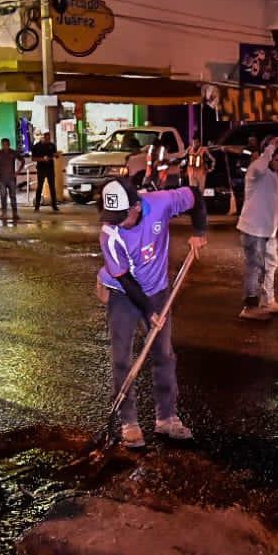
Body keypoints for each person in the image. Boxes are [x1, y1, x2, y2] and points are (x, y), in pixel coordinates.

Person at [97, 177, 209, 448]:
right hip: (123, 294)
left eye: (121, 216)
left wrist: (200, 231)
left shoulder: (160, 204)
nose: (116, 221)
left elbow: (195, 195)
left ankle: (167, 418)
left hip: (158, 289)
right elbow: (125, 279)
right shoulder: (109, 234)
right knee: (122, 357)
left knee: (163, 353)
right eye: (111, 216)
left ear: (136, 206)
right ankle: (129, 422)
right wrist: (148, 311)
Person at [237, 137, 278, 319]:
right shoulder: (255, 171)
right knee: (255, 267)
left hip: (269, 231)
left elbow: (275, 199)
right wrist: (271, 147)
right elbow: (261, 165)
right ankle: (249, 307)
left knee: (270, 265)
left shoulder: (273, 176)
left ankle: (268, 301)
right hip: (253, 230)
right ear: (267, 157)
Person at [0, 137, 22, 224]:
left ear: (9, 145)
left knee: (13, 196)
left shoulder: (13, 152)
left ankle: (15, 213)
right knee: (3, 196)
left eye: (6, 144)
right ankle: (4, 213)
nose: (5, 146)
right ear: (1, 145)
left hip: (11, 178)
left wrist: (18, 171)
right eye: (3, 144)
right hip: (1, 179)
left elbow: (22, 160)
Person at [31, 131, 59, 211]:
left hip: (50, 168)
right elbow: (33, 158)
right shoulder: (36, 146)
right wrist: (42, 159)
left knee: (52, 187)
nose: (48, 140)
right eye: (46, 138)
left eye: (49, 138)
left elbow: (55, 154)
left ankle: (54, 205)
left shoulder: (52, 145)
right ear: (42, 138)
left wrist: (55, 155)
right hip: (41, 169)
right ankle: (37, 206)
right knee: (39, 187)